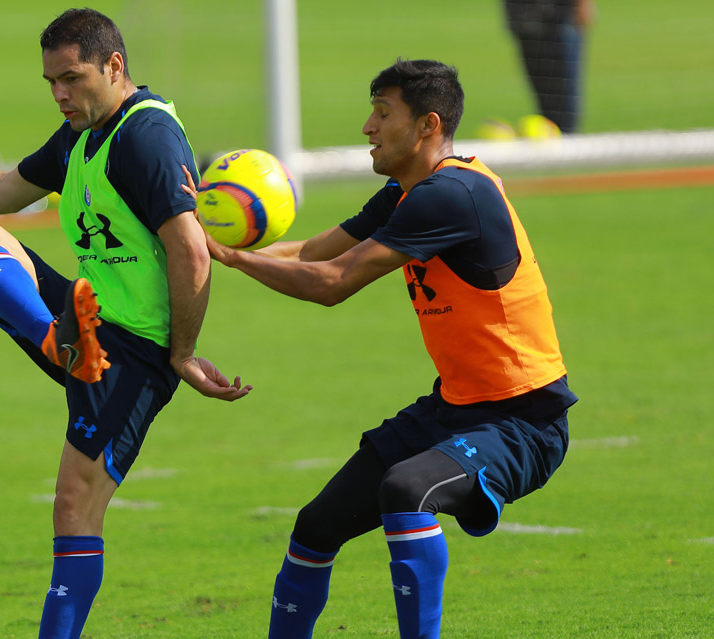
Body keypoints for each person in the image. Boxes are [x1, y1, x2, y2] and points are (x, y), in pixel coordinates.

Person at [0, 8, 250, 637]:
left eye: (72, 78)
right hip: (84, 323)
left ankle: (65, 343)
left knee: (73, 509)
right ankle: (57, 341)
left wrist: (181, 355)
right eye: (50, 83)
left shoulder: (145, 136)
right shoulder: (84, 133)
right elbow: (1, 192)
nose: (60, 94)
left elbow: (191, 251)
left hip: (133, 352)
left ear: (114, 67)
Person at [197, 59, 577, 638]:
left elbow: (333, 285)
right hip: (455, 407)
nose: (368, 127)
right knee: (316, 525)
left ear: (427, 125)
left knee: (407, 489)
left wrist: (230, 258)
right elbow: (313, 254)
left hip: (523, 418)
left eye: (383, 113)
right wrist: (200, 242)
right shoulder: (406, 193)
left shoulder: (453, 194)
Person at [504, 0, 596, 134]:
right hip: (526, 20)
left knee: (563, 117)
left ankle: (564, 149)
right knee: (549, 114)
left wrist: (582, 4)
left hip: (558, 20)